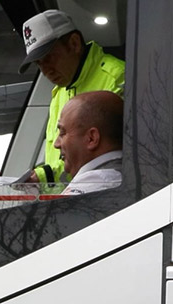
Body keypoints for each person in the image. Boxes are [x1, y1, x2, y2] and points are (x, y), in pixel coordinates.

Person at [19, 9, 125, 188]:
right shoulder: (59, 93)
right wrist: (44, 176)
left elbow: (119, 155)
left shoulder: (118, 77)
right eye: (39, 64)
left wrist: (46, 176)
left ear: (74, 44)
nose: (45, 71)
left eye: (49, 58)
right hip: (68, 204)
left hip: (101, 198)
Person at [54, 90, 124, 195]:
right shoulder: (132, 176)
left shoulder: (92, 187)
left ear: (91, 138)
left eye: (63, 133)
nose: (56, 144)